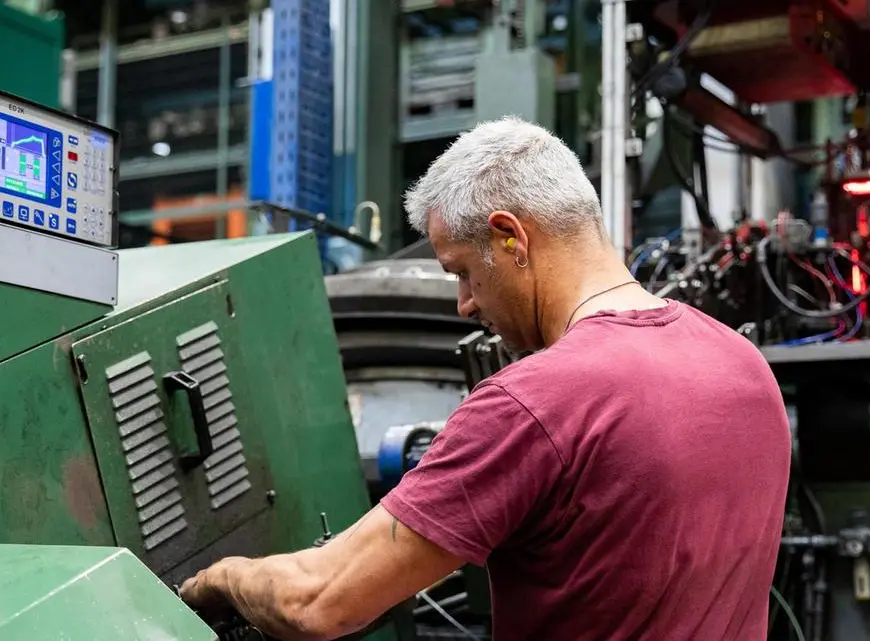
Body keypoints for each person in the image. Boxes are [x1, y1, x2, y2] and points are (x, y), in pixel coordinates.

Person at [179, 116, 792, 641]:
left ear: (510, 237)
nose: (465, 304)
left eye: (463, 272)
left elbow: (314, 603)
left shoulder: (534, 404)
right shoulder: (744, 367)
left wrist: (218, 578)